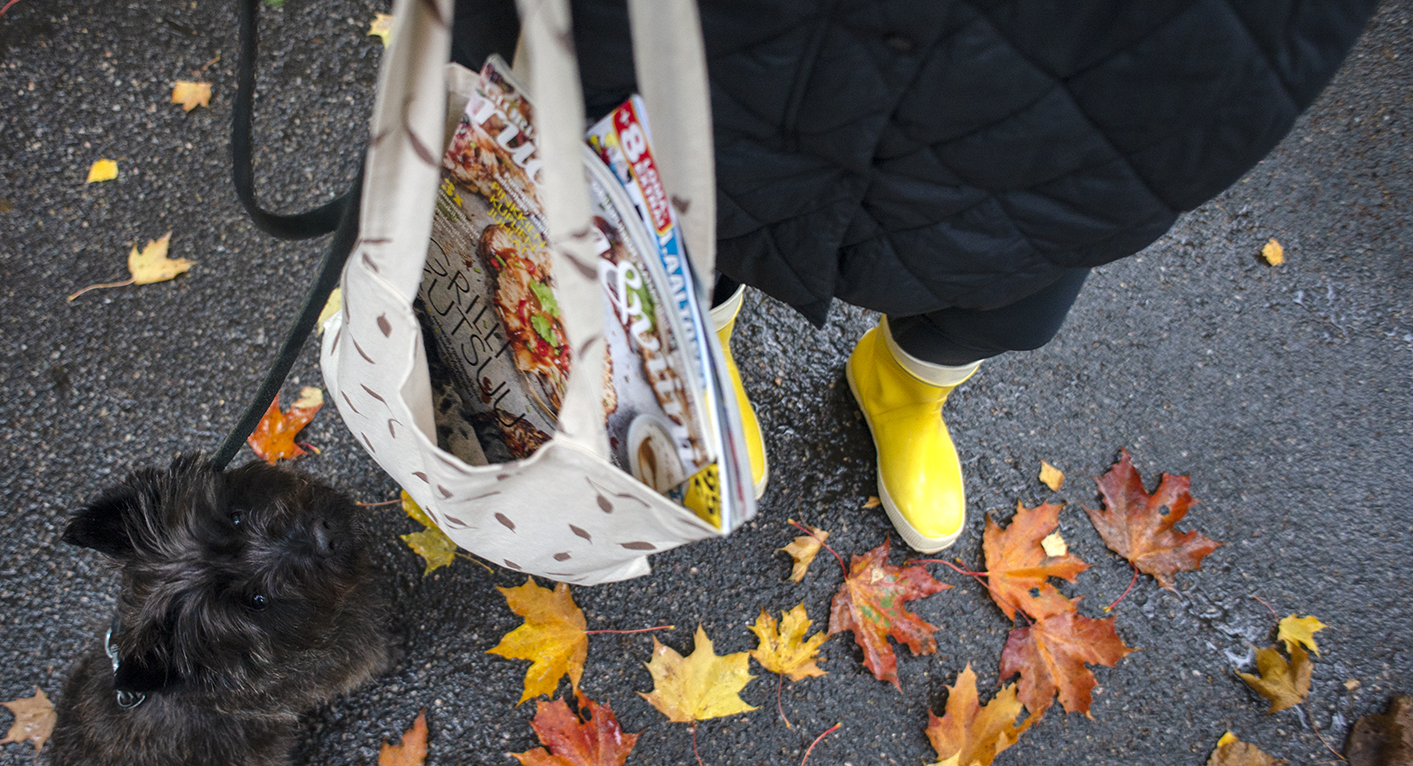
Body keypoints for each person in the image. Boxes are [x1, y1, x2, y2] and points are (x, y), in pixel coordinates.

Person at [452, 0, 1379, 551]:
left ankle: (901, 391)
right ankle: (699, 356)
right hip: (735, 37)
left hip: (1093, 63)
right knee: (679, 208)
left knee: (1006, 284)